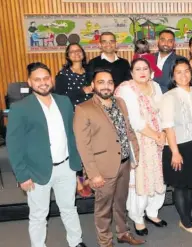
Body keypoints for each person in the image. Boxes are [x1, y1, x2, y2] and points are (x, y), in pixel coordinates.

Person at [7, 62, 87, 247]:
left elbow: (71, 134)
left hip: (66, 167)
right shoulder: (20, 108)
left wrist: (78, 166)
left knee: (69, 208)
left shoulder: (64, 101)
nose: (42, 83)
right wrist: (22, 175)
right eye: (37, 80)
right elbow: (14, 144)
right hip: (36, 172)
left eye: (45, 78)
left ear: (51, 79)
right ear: (30, 82)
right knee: (38, 214)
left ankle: (76, 242)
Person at [73, 69, 145, 246]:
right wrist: (93, 173)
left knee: (120, 202)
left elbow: (128, 130)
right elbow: (83, 145)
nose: (106, 86)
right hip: (102, 168)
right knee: (103, 208)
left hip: (124, 163)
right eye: (101, 82)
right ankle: (105, 242)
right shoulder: (83, 109)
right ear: (92, 85)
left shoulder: (120, 102)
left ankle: (122, 233)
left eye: (110, 82)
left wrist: (135, 154)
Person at [115, 58, 167, 236]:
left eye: (145, 68)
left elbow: (163, 110)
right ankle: (137, 217)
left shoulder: (156, 86)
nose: (142, 72)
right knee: (140, 179)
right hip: (139, 140)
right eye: (138, 69)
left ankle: (153, 212)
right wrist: (156, 135)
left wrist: (164, 134)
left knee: (158, 175)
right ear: (131, 72)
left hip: (159, 139)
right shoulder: (126, 89)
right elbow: (135, 121)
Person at [159, 58, 192, 233]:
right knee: (180, 185)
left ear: (191, 74)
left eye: (186, 71)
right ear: (173, 76)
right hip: (177, 146)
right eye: (179, 72)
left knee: (191, 183)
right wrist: (175, 152)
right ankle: (184, 220)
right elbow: (168, 126)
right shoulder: (169, 96)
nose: (183, 75)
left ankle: (189, 215)